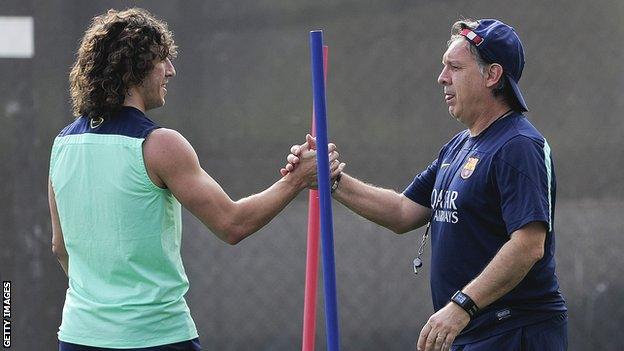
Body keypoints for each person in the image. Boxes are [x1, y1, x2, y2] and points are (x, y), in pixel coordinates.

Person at [48, 8, 338, 351]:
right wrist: (298, 180)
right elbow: (232, 224)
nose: (171, 70)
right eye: (161, 60)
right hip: (155, 338)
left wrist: (105, 307)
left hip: (79, 337)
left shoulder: (62, 145)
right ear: (134, 68)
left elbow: (60, 247)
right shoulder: (159, 145)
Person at [284, 19, 567, 351]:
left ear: (492, 75)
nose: (442, 78)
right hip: (470, 333)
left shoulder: (518, 146)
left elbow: (528, 246)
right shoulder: (458, 148)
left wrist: (462, 306)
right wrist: (330, 179)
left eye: (455, 67)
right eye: (444, 67)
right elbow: (403, 211)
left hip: (513, 332)